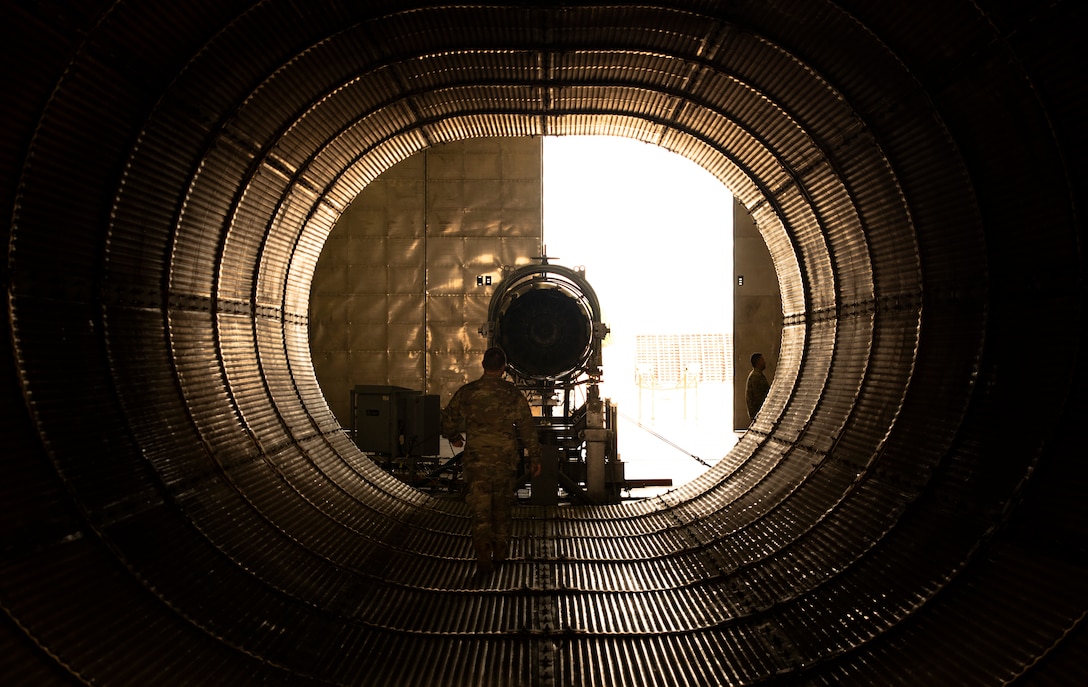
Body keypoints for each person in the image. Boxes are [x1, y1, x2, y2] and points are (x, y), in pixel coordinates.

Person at [441, 347, 542, 574]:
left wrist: (455, 437)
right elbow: (527, 427)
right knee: (502, 507)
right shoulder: (511, 394)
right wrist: (535, 456)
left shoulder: (468, 392)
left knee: (480, 509)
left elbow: (448, 419)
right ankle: (500, 552)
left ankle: (483, 555)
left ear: (483, 364)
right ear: (504, 367)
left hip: (477, 463)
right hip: (505, 463)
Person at [745, 352, 771, 423]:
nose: (764, 362)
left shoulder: (757, 375)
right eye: (762, 360)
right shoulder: (756, 377)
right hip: (758, 413)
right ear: (758, 362)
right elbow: (760, 398)